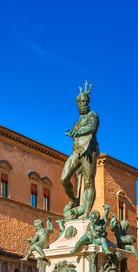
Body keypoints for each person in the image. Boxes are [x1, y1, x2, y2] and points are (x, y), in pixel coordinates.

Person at [61, 80, 99, 220]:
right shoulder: (76, 121)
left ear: (87, 102)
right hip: (76, 153)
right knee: (64, 178)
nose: (81, 105)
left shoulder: (92, 115)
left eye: (83, 102)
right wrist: (74, 133)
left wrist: (78, 133)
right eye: (79, 103)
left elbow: (92, 127)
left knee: (89, 182)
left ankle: (87, 213)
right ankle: (73, 200)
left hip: (89, 152)